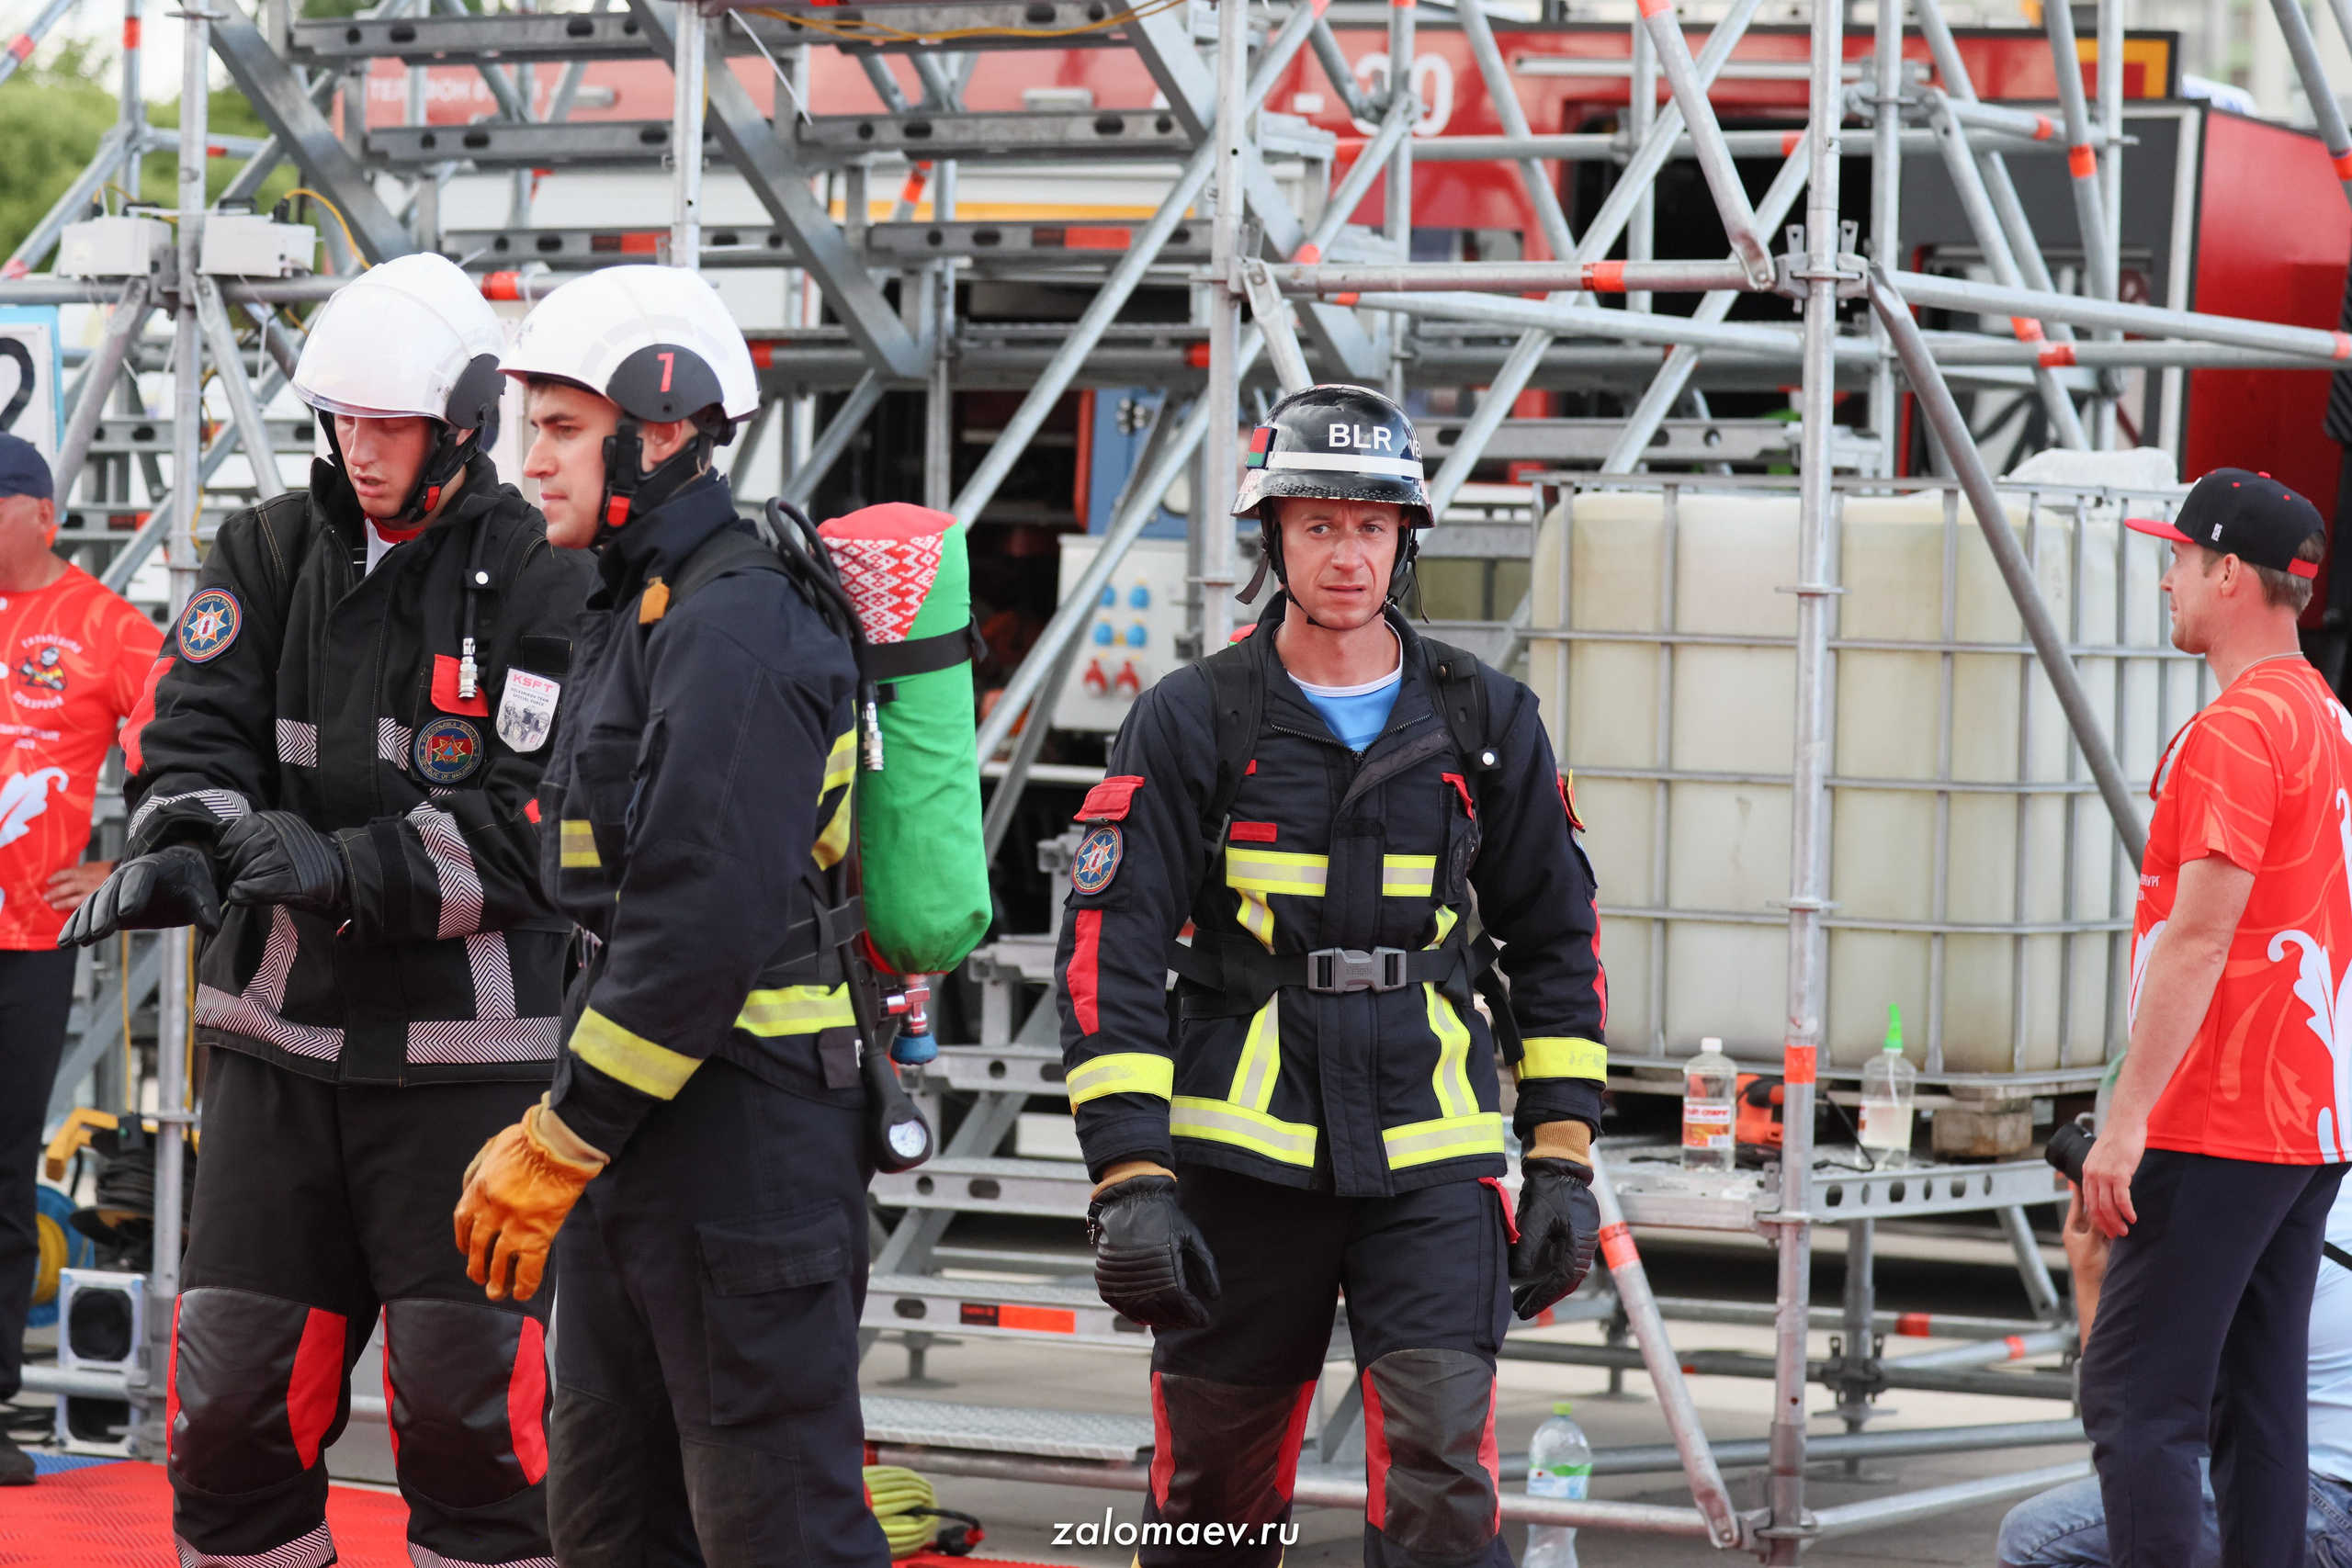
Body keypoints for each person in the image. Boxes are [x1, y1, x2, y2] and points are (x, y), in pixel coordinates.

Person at [59, 253, 593, 1568]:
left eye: (389, 423)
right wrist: (185, 837)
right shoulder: (268, 547)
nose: (361, 447)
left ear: (464, 417)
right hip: (276, 1058)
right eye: (344, 419)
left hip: (469, 1083)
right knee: (233, 1407)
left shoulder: (545, 575)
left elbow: (535, 836)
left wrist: (340, 862)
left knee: (475, 1427)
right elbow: (193, 733)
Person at [1055, 383, 1608, 1568]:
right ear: (1273, 537)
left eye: (1369, 526)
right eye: (1317, 525)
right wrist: (1132, 1176)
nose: (1346, 554)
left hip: (1431, 1159)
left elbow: (1557, 939)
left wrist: (1562, 1158)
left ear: (1405, 536)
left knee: (1443, 1488)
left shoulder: (1488, 720)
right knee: (1211, 1495)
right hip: (1241, 1162)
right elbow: (1110, 952)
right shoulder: (1192, 719)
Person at [451, 265, 891, 1568]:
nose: (531, 460)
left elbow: (698, 918)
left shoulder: (738, 620)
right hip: (639, 1134)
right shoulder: (636, 605)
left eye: (562, 428)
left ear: (662, 429)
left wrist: (566, 1130)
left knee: (776, 1528)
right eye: (533, 426)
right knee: (611, 1518)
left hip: (749, 1137)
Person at [2077, 468, 2352, 1568]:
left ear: (2228, 572)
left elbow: (2200, 934)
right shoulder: (2329, 718)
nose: (2167, 581)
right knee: (2258, 1395)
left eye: (2180, 560)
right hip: (2312, 1114)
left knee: (2135, 1399)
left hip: (2217, 1112)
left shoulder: (2235, 730)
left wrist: (2124, 1114)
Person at [0, 431, 162, 1485]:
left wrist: (121, 859)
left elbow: (188, 747)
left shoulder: (105, 627)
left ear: (41, 515)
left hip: (26, 941)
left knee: (6, 1171)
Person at [1996, 1178, 2352, 1566]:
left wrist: (2090, 1275)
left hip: (2325, 1509)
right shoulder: (2326, 1183)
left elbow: (2133, 1403)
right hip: (2314, 1488)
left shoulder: (2258, 1207)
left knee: (2032, 1539)